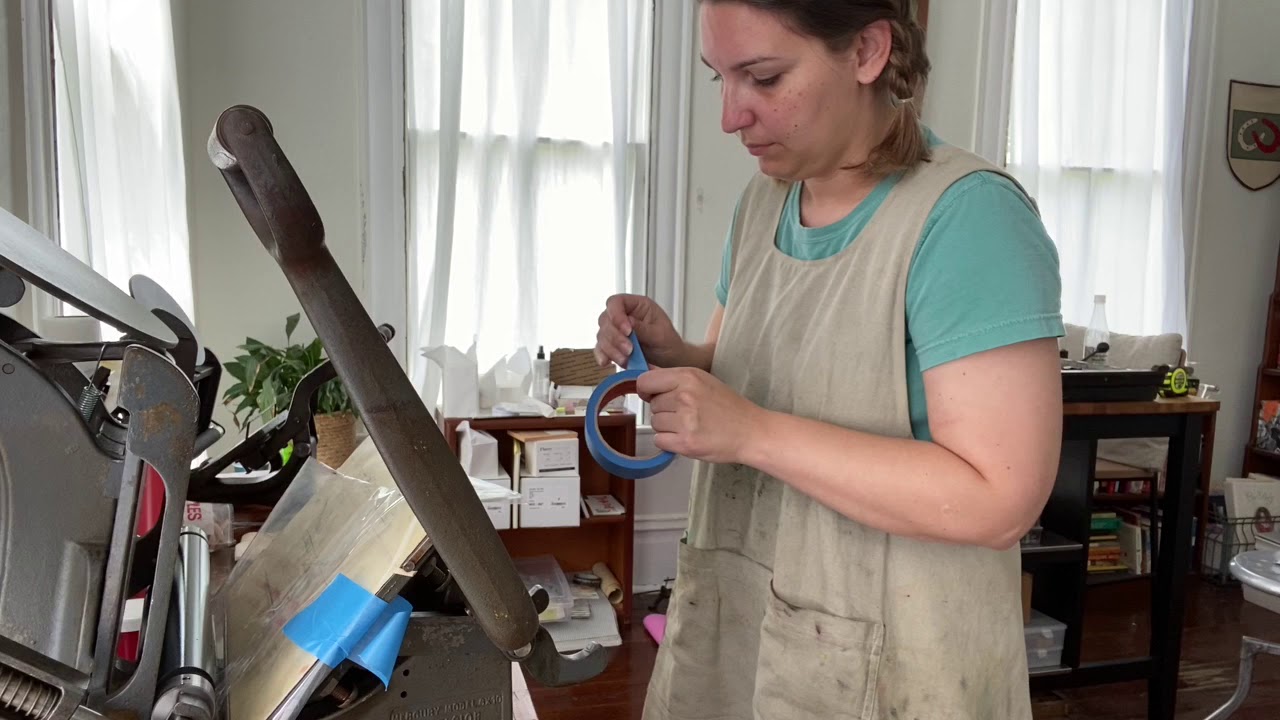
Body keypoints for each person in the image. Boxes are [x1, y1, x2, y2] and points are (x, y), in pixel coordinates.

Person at [594, 1, 1065, 718]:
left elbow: (999, 499)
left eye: (764, 77)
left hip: (905, 664)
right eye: (719, 78)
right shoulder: (764, 202)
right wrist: (678, 357)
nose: (731, 116)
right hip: (751, 623)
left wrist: (751, 431)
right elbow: (752, 373)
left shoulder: (969, 220)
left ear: (869, 52)